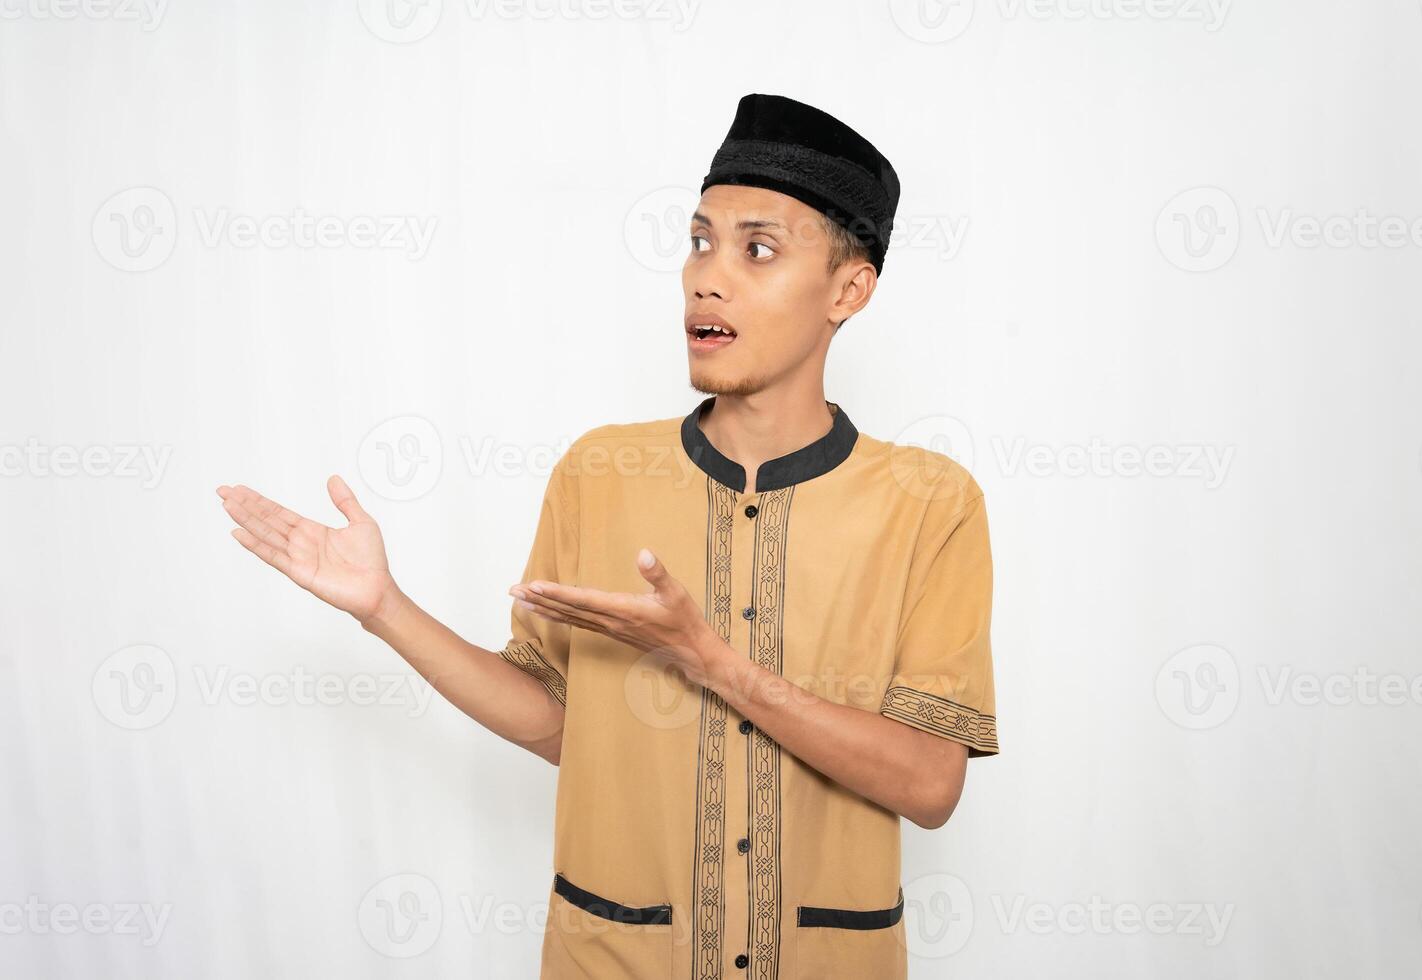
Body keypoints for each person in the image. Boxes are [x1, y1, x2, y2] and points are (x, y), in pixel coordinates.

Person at [217, 92, 998, 979]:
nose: (708, 275)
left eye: (759, 249)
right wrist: (384, 609)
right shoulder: (599, 474)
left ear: (849, 289)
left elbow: (932, 787)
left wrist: (713, 662)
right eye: (699, 241)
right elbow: (558, 722)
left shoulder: (929, 502)